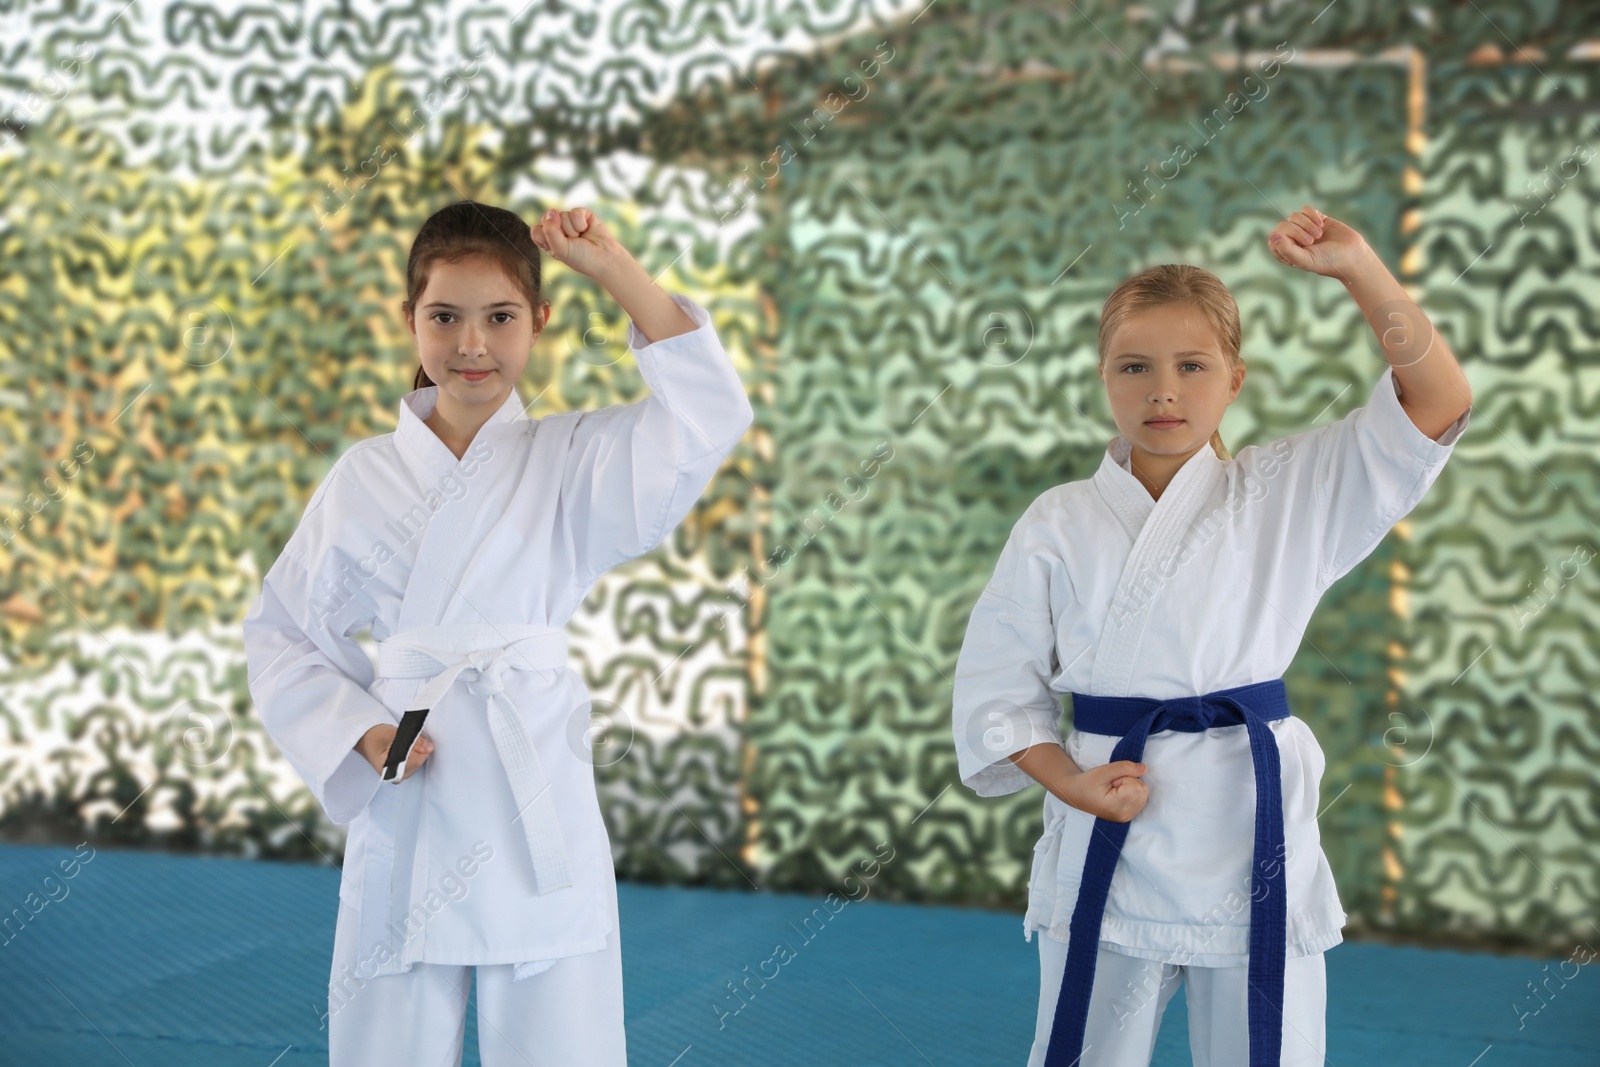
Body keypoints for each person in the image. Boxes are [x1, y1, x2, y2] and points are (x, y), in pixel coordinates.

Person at [950, 205, 1472, 1067]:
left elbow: (1440, 401)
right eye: (1136, 366)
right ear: (1103, 378)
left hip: (1252, 834)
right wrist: (1072, 784)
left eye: (1192, 365)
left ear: (1234, 379)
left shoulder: (1285, 493)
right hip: (1109, 830)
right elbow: (999, 689)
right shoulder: (1058, 520)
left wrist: (1360, 270)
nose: (1163, 389)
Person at [241, 199, 753, 1065]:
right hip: (414, 768)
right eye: (445, 316)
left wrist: (613, 269)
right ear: (410, 319)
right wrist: (355, 729)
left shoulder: (573, 456)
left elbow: (707, 417)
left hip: (533, 778)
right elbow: (282, 629)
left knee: (561, 1033)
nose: (471, 345)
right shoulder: (364, 475)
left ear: (540, 321)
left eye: (500, 317)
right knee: (386, 1035)